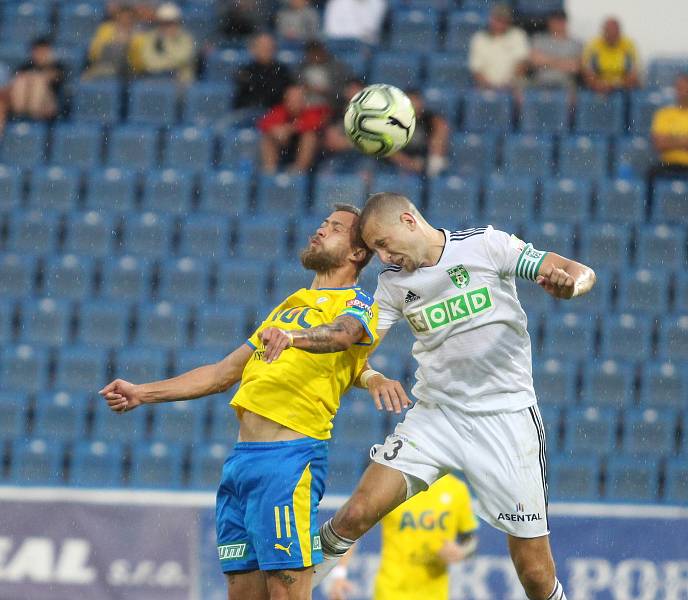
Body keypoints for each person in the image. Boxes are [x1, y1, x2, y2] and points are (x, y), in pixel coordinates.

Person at [101, 205, 401, 600]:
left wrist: (294, 340)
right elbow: (222, 373)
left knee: (287, 592)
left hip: (288, 462)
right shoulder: (289, 307)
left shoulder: (357, 303)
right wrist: (143, 392)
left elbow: (343, 337)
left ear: (357, 253)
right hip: (242, 465)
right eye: (322, 224)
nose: (319, 230)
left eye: (334, 228)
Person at [313, 193, 596, 600]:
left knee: (534, 573)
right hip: (436, 417)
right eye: (374, 249)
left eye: (383, 243)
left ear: (409, 220)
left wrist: (572, 287)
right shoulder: (392, 283)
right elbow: (356, 350)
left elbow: (578, 271)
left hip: (507, 419)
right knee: (354, 514)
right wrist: (372, 376)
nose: (382, 255)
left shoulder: (486, 245)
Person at [327, 474, 478, 600]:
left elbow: (470, 541)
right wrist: (339, 573)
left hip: (435, 594)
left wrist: (461, 552)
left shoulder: (457, 490)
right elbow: (353, 528)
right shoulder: (394, 487)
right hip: (392, 591)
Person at [258, 84, 331, 173]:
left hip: (315, 152)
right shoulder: (279, 111)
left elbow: (315, 124)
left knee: (309, 137)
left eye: (298, 99)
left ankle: (299, 171)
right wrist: (276, 131)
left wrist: (289, 129)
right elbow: (264, 124)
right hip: (286, 147)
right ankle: (269, 172)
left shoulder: (312, 111)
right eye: (292, 99)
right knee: (268, 137)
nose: (295, 102)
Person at [0, 37, 65, 134]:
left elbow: (57, 78)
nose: (40, 54)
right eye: (37, 51)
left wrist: (38, 77)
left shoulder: (58, 66)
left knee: (36, 81)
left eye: (43, 51)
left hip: (47, 108)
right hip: (21, 105)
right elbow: (14, 85)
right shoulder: (25, 66)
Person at [387, 90, 450, 177]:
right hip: (398, 167)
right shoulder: (394, 122)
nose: (412, 106)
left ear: (421, 103)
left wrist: (434, 158)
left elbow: (441, 128)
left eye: (414, 102)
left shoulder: (430, 120)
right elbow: (390, 151)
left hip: (424, 160)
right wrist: (411, 164)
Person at [468, 4, 529, 90]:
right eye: (498, 19)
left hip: (513, 86)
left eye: (504, 20)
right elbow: (477, 70)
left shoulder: (517, 35)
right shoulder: (479, 38)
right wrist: (490, 87)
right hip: (486, 87)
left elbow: (522, 63)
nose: (500, 23)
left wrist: (510, 82)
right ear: (491, 19)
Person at [133, 2, 196, 83]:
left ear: (178, 22)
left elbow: (183, 58)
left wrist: (167, 43)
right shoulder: (151, 37)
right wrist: (168, 64)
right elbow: (148, 61)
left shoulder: (187, 38)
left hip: (181, 83)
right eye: (164, 23)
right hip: (154, 79)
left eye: (171, 23)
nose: (168, 27)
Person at [233, 33, 294, 113]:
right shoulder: (245, 72)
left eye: (269, 47)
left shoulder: (282, 71)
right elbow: (242, 100)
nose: (266, 50)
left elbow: (287, 96)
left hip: (276, 116)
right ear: (253, 49)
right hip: (250, 115)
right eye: (262, 47)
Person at [528, 9, 582, 93]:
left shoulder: (576, 43)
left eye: (561, 20)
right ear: (549, 22)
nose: (558, 24)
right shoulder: (538, 39)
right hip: (539, 85)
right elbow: (535, 61)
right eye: (555, 20)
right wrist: (564, 62)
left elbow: (575, 67)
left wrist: (546, 60)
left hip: (566, 87)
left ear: (566, 22)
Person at [83, 4, 140, 80]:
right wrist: (115, 42)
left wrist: (129, 43)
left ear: (133, 19)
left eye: (129, 18)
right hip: (105, 66)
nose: (126, 20)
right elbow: (93, 52)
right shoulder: (106, 29)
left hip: (129, 71)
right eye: (123, 17)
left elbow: (139, 61)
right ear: (118, 17)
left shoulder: (139, 34)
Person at [582, 17, 639, 93]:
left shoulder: (628, 45)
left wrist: (616, 85)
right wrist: (598, 84)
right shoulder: (593, 45)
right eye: (609, 31)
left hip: (623, 89)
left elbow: (634, 73)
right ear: (603, 31)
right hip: (597, 90)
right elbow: (587, 71)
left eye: (614, 31)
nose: (612, 34)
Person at [298, 41, 351, 107]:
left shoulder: (336, 68)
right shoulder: (302, 68)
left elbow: (342, 89)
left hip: (331, 105)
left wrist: (325, 91)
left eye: (317, 52)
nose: (315, 56)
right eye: (312, 53)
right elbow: (297, 86)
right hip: (306, 106)